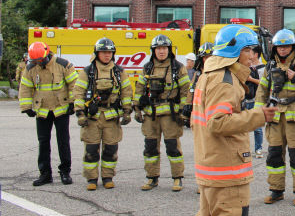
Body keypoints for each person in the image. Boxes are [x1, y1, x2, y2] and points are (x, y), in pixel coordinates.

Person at [183, 24, 276, 216]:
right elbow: (218, 123)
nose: (254, 56)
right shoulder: (225, 81)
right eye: (249, 50)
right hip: (227, 171)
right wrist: (258, 115)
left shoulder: (210, 75)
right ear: (234, 51)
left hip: (212, 167)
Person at [255, 29, 295, 206]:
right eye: (279, 47)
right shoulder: (270, 65)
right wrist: (258, 113)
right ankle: (276, 190)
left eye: (286, 46)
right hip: (275, 117)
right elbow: (261, 91)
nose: (282, 50)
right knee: (274, 155)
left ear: (292, 47)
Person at [72, 38, 133, 190]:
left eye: (109, 52)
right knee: (91, 150)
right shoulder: (88, 72)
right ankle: (91, 179)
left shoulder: (119, 72)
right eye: (103, 52)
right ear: (97, 53)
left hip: (111, 116)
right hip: (92, 118)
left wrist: (127, 111)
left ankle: (107, 177)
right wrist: (80, 113)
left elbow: (126, 92)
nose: (107, 55)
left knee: (111, 150)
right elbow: (78, 93)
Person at [133, 35, 191, 191]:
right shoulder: (147, 67)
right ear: (153, 51)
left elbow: (186, 90)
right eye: (158, 49)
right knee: (150, 147)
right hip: (150, 115)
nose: (161, 51)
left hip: (170, 115)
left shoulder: (177, 67)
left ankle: (177, 178)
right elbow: (139, 88)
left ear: (169, 50)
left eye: (164, 48)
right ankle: (152, 178)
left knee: (173, 147)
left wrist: (183, 111)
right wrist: (137, 108)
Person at [18, 42, 78, 186]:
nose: (39, 62)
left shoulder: (63, 64)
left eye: (41, 60)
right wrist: (26, 107)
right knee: (43, 143)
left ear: (47, 54)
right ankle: (45, 174)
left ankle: (65, 172)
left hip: (61, 109)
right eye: (36, 60)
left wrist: (72, 103)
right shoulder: (31, 68)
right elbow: (25, 87)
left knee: (63, 142)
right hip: (43, 111)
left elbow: (74, 84)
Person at [244, 49, 264, 158]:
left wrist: (250, 79)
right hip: (244, 100)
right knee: (243, 126)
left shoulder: (261, 68)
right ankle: (245, 149)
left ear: (255, 55)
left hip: (255, 100)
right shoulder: (242, 67)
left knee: (257, 127)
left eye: (250, 52)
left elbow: (263, 83)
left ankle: (258, 149)